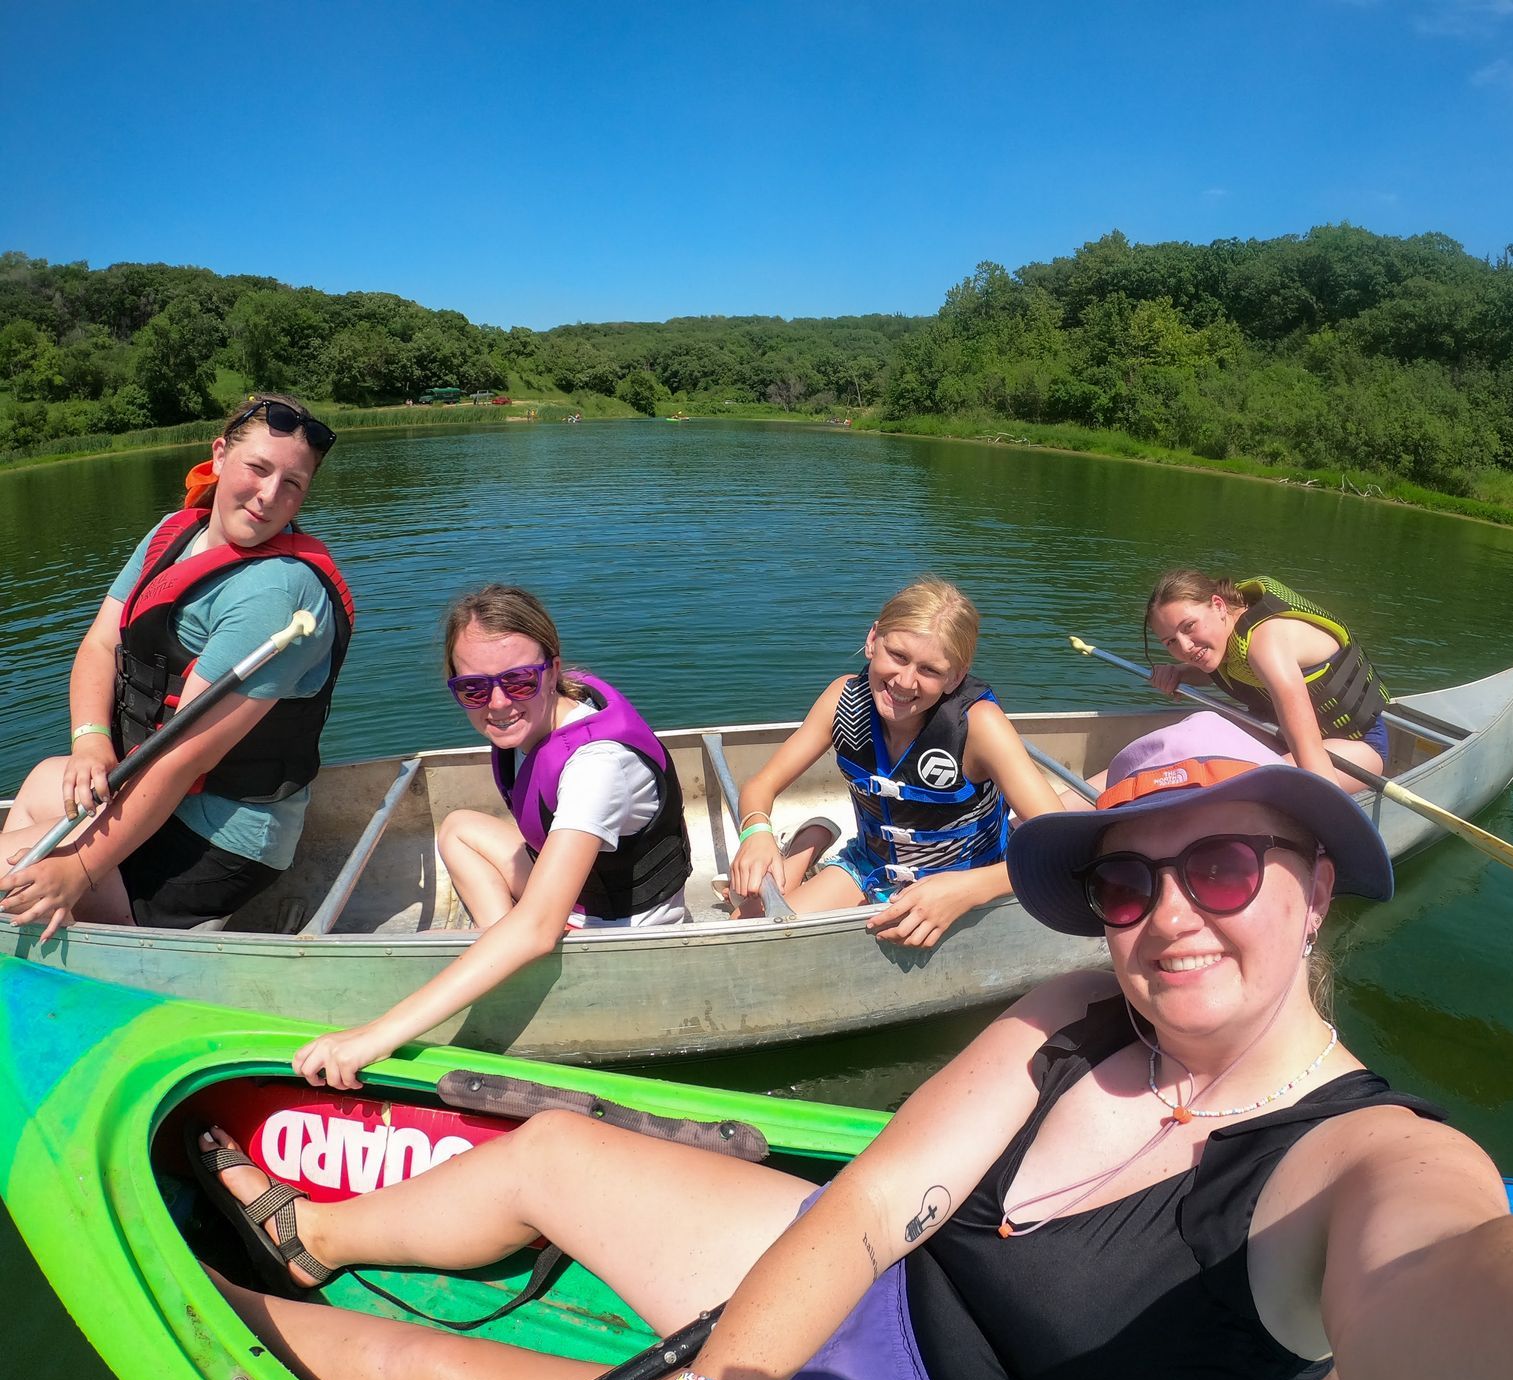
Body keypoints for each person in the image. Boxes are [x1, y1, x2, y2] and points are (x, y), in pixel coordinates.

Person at [191, 711, 1513, 1380]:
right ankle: (315, 1226)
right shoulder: (1078, 1018)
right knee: (556, 1151)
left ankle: (278, 1319)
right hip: (865, 1329)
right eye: (1124, 877)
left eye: (1224, 867)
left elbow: (1478, 1289)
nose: (1165, 916)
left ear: (1319, 885)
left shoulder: (1361, 1170)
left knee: (385, 1374)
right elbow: (869, 1204)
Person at [290, 585, 692, 1088]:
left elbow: (540, 926)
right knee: (459, 827)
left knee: (492, 937)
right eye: (474, 690)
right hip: (579, 891)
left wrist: (377, 1034)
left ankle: (505, 951)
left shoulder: (597, 766)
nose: (498, 704)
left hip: (618, 924)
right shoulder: (559, 703)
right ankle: (501, 944)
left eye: (519, 681)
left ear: (552, 669)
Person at [1, 394, 351, 936]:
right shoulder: (174, 533)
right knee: (48, 778)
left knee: (15, 878)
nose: (267, 496)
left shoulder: (276, 593)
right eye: (257, 468)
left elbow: (179, 759)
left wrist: (77, 870)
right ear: (218, 456)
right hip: (152, 792)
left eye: (292, 484)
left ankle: (115, 922)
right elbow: (99, 644)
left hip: (215, 842)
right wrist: (91, 741)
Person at [724, 576, 1063, 948]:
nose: (904, 681)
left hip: (969, 874)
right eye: (898, 656)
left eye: (930, 670)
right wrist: (755, 833)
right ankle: (810, 843)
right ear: (873, 640)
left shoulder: (978, 726)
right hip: (872, 865)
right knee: (745, 929)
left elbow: (1062, 844)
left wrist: (970, 890)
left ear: (956, 677)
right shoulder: (842, 701)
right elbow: (762, 785)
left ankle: (810, 844)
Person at [1143, 569, 1391, 794]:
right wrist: (1180, 673)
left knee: (1256, 783)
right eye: (1170, 642)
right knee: (1189, 738)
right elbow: (1223, 670)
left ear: (1218, 605)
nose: (1185, 647)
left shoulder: (1265, 642)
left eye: (1189, 626)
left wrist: (1333, 816)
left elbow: (1308, 748)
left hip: (1356, 746)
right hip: (1276, 734)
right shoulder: (1227, 629)